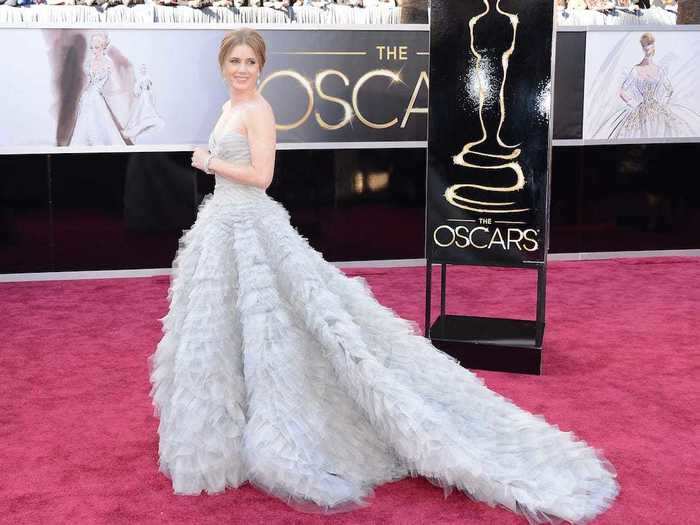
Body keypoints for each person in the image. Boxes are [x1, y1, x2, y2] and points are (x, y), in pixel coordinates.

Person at [149, 28, 618, 524]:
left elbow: (263, 177)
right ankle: (229, 425)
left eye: (249, 61)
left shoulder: (257, 111)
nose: (241, 69)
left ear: (261, 67)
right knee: (223, 329)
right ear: (222, 66)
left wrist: (210, 161)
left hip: (250, 223)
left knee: (285, 327)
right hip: (221, 226)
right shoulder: (228, 108)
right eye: (234, 61)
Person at [69, 33, 128, 146]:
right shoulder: (90, 62)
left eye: (97, 47)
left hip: (98, 97)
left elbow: (114, 85)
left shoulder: (108, 62)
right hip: (88, 96)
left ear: (103, 47)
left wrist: (106, 93)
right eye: (92, 47)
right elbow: (89, 81)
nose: (94, 50)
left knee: (102, 122)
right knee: (85, 121)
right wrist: (84, 94)